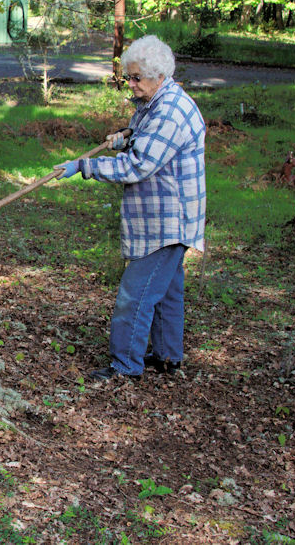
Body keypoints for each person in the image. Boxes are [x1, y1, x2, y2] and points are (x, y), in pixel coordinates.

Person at [54, 35, 206, 380]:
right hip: (164, 216)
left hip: (168, 222)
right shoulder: (157, 103)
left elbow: (136, 167)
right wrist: (124, 138)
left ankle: (125, 367)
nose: (131, 84)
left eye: (137, 78)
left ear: (158, 76)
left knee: (134, 296)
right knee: (166, 291)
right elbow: (143, 135)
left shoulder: (169, 112)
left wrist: (84, 167)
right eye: (130, 77)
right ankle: (168, 357)